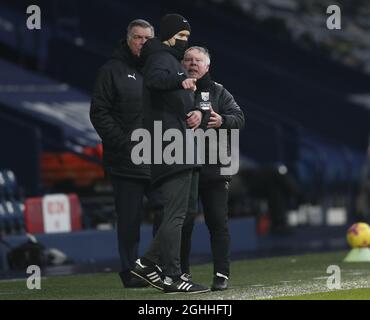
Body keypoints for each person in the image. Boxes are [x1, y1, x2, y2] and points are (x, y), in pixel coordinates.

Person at [130, 14, 209, 294]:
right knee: (176, 213)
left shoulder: (167, 59)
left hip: (179, 144)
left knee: (185, 211)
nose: (185, 43)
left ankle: (147, 263)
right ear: (168, 36)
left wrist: (195, 111)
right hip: (170, 146)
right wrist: (180, 82)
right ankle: (173, 276)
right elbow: (154, 79)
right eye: (181, 37)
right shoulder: (161, 58)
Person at [90, 19, 155, 288]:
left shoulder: (159, 71)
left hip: (159, 158)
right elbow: (99, 113)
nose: (142, 43)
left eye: (147, 39)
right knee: (129, 219)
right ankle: (130, 272)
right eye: (137, 38)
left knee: (170, 210)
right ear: (127, 39)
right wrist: (125, 143)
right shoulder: (111, 71)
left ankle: (160, 265)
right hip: (125, 161)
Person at [180, 46, 245, 290]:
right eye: (188, 59)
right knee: (183, 223)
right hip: (182, 167)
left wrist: (223, 120)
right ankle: (181, 274)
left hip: (213, 169)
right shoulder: (175, 88)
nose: (193, 64)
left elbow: (240, 118)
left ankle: (221, 275)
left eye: (198, 60)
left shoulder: (219, 91)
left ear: (207, 66)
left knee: (217, 223)